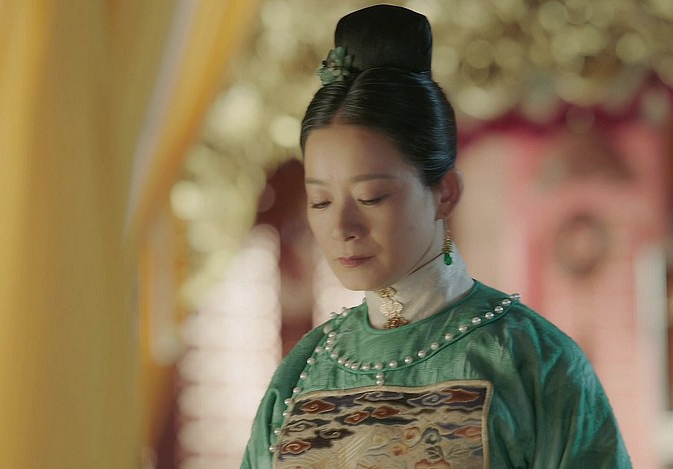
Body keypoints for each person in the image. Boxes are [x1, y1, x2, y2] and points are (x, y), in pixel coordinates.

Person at [241, 4, 631, 468]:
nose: (342, 228)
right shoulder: (303, 373)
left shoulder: (533, 361)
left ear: (445, 193)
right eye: (321, 201)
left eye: (370, 197)